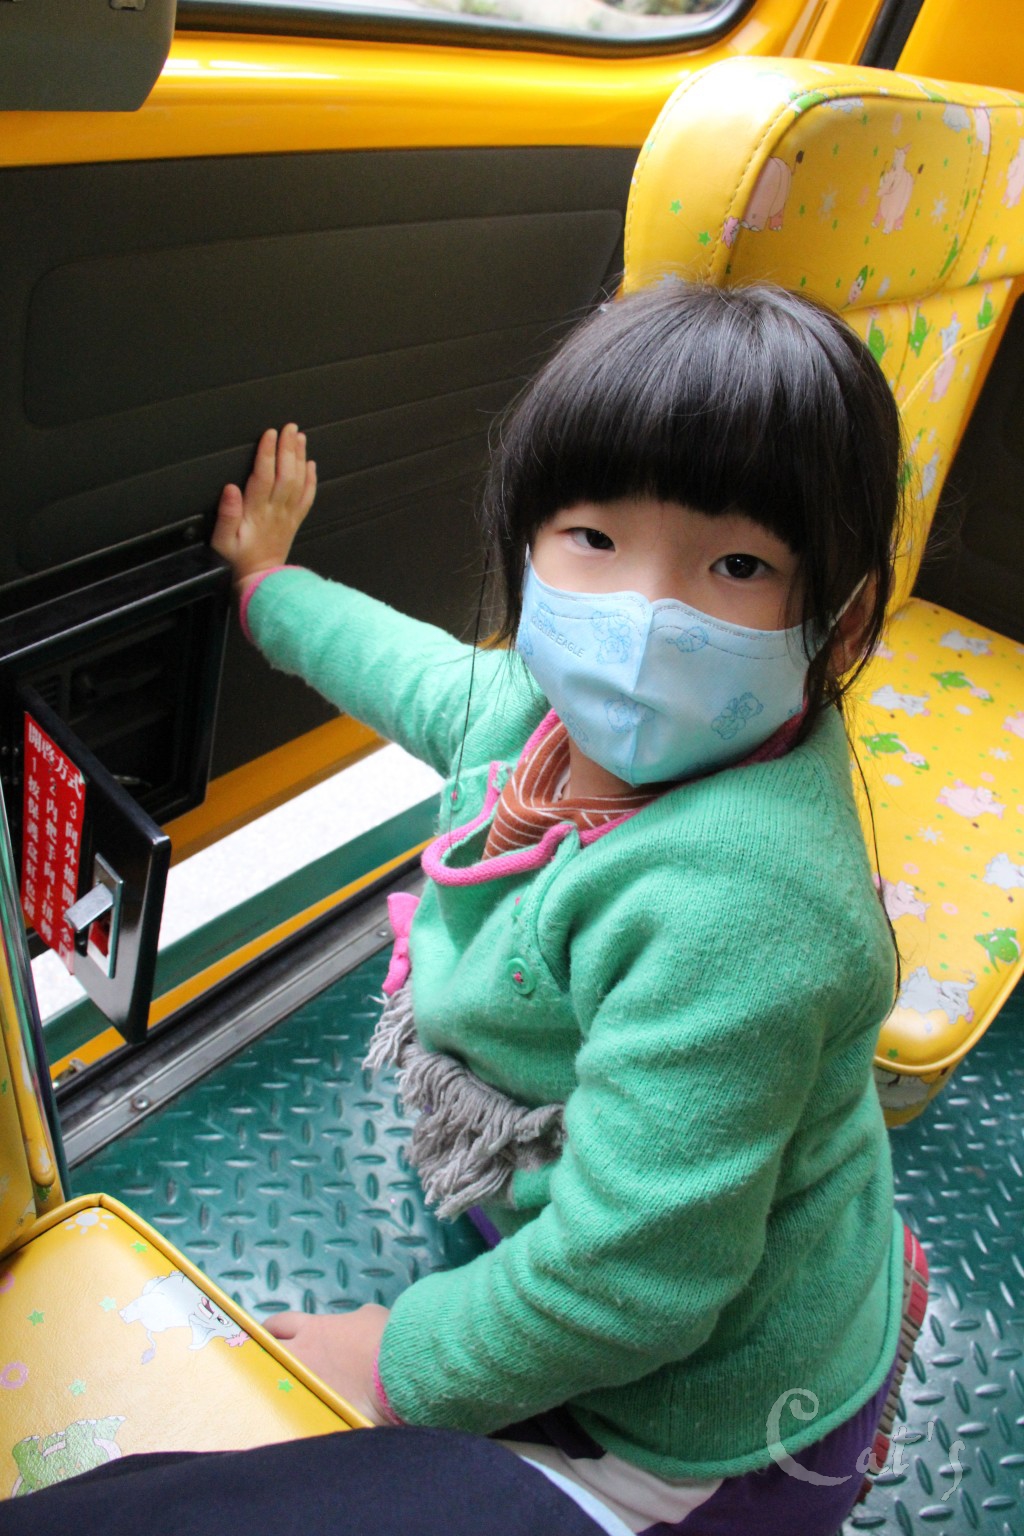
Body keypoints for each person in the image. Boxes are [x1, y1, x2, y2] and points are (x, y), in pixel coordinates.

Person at [210, 280, 928, 1536]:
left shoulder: (747, 915)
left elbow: (631, 1282)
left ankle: (836, 1387)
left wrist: (398, 1361)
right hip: (639, 1194)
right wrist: (269, 583)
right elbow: (400, 667)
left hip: (705, 1385)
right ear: (528, 544)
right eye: (592, 538)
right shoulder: (536, 716)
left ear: (840, 619)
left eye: (737, 565)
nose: (642, 617)